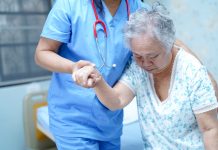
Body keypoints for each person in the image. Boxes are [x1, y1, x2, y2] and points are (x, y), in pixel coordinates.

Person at [73, 3, 218, 149]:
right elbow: (116, 100)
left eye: (153, 56)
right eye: (138, 55)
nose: (145, 63)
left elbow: (210, 129)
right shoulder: (138, 68)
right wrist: (98, 81)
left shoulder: (192, 72)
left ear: (168, 44)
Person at [35, 0, 152, 149]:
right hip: (72, 117)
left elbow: (164, 42)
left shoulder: (140, 10)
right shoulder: (70, 5)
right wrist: (73, 67)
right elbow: (42, 53)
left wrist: (189, 61)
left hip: (110, 119)